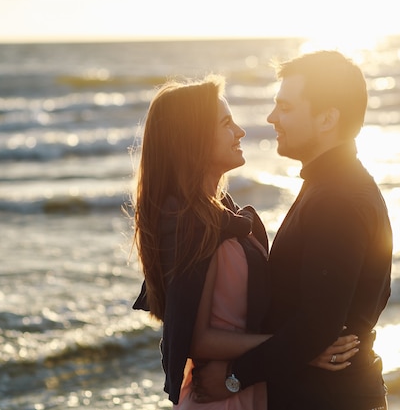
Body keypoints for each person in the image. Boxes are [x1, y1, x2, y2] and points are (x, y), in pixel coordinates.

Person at [130, 74, 360, 409]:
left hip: (240, 385)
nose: (240, 132)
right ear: (192, 139)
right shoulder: (194, 224)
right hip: (220, 396)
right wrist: (299, 349)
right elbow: (198, 337)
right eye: (226, 123)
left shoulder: (221, 214)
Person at [191, 51, 393, 410]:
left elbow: (317, 325)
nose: (272, 118)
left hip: (331, 399)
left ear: (327, 118)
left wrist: (234, 377)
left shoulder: (338, 198)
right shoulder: (332, 183)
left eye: (285, 108)